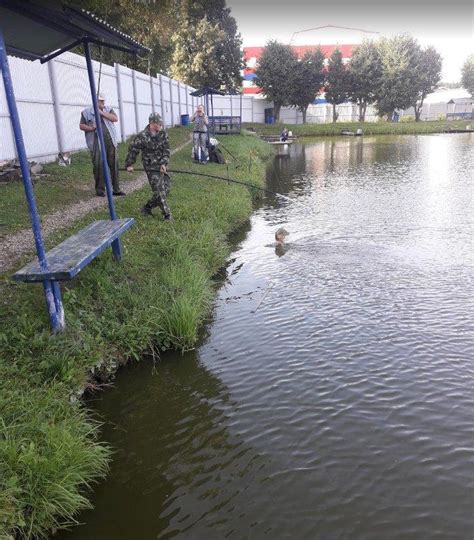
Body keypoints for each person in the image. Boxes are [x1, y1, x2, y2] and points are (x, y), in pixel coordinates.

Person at [124, 113, 172, 221]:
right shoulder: (143, 136)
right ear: (151, 123)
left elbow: (167, 149)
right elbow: (133, 149)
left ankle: (148, 207)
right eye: (158, 124)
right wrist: (129, 164)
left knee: (167, 189)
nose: (160, 126)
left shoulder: (163, 134)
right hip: (150, 166)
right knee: (160, 190)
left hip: (161, 165)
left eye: (161, 123)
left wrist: (164, 163)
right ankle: (167, 215)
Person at [79, 93, 124, 197]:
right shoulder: (86, 112)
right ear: (95, 101)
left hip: (110, 141)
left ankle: (116, 189)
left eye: (103, 101)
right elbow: (81, 126)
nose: (103, 103)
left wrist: (101, 113)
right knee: (98, 166)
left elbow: (115, 118)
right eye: (100, 101)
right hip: (96, 143)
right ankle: (100, 190)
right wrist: (91, 128)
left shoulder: (108, 109)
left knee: (114, 165)